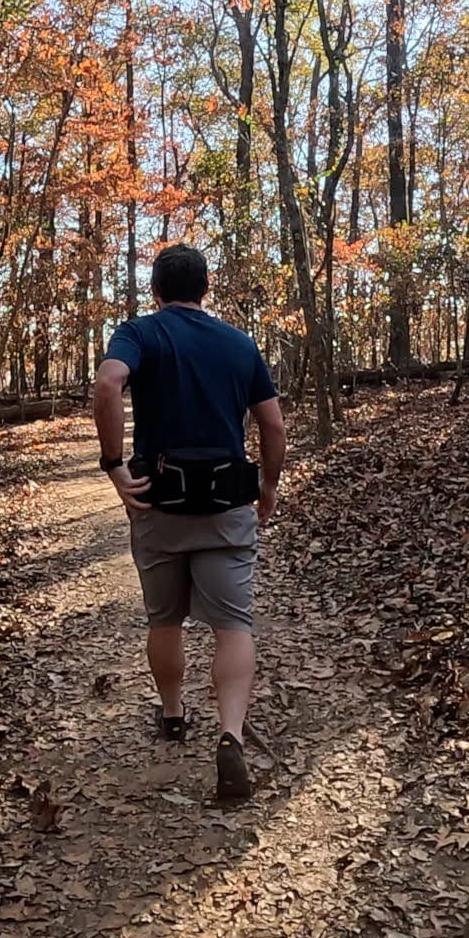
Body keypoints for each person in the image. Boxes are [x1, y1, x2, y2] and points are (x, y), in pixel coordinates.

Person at [91, 244, 286, 802]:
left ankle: (174, 715)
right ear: (206, 286)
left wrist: (114, 464)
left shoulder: (140, 333)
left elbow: (108, 385)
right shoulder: (239, 342)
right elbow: (272, 426)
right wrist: (268, 485)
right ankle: (229, 734)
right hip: (227, 506)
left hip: (159, 505)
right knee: (233, 624)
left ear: (157, 288)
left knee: (165, 619)